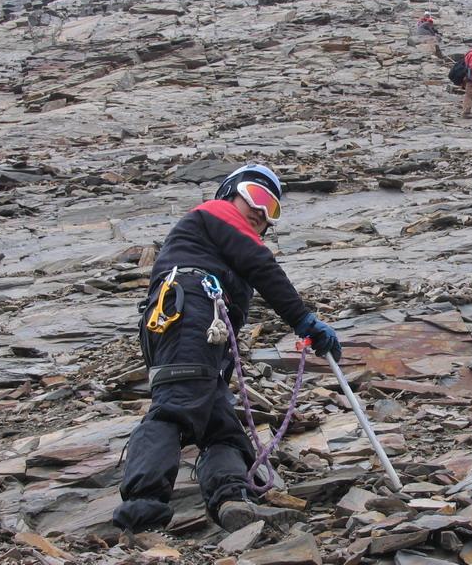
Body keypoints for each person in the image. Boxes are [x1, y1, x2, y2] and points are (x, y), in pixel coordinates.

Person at [112, 164, 342, 535]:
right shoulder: (216, 213)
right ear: (230, 193)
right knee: (175, 409)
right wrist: (302, 319)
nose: (262, 212)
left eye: (272, 209)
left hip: (189, 324)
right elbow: (261, 265)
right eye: (257, 196)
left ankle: (232, 498)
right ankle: (141, 512)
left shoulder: (218, 242)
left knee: (219, 423)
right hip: (190, 314)